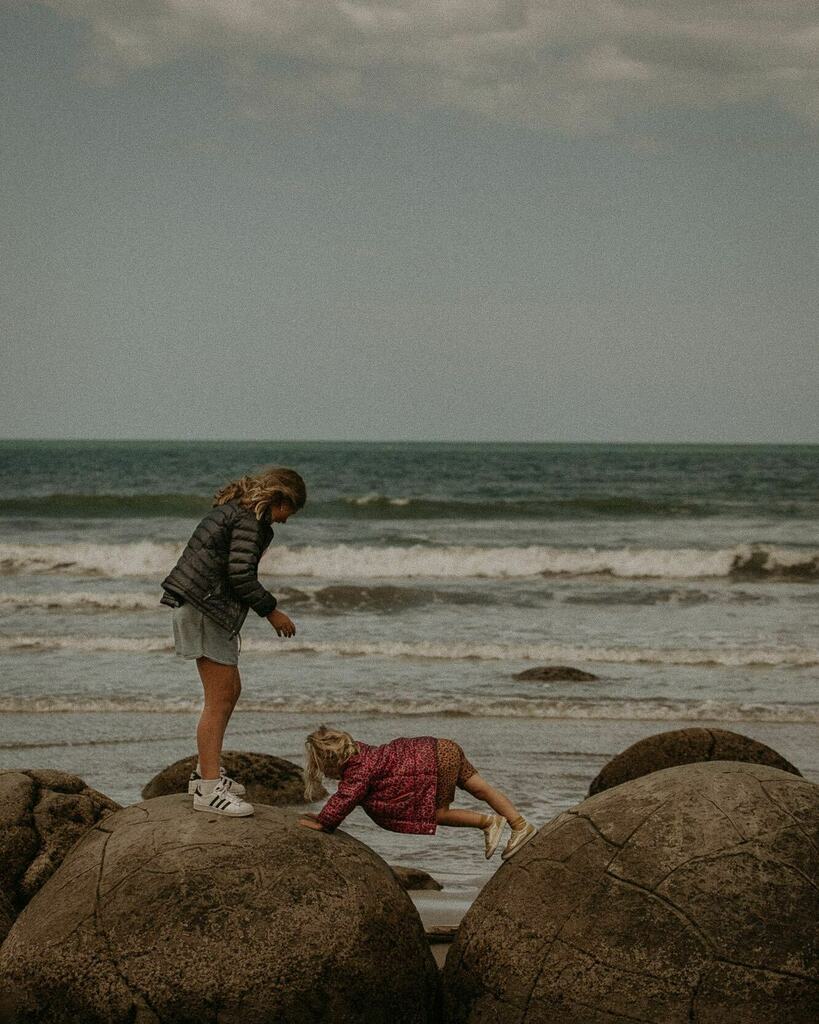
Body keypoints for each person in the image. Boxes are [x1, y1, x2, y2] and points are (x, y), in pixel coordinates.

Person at [160, 466, 306, 817]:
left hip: (204, 606)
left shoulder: (239, 512)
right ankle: (209, 790)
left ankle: (204, 774)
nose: (287, 519)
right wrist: (272, 611)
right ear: (279, 498)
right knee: (219, 699)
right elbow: (240, 574)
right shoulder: (250, 521)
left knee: (231, 691)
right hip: (203, 607)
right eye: (290, 510)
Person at [299, 726, 536, 861]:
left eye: (322, 767)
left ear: (330, 759)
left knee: (438, 813)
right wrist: (324, 816)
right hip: (443, 746)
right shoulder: (363, 751)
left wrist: (325, 822)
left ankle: (488, 823)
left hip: (435, 761)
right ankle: (519, 824)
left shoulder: (358, 768)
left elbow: (346, 797)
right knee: (481, 789)